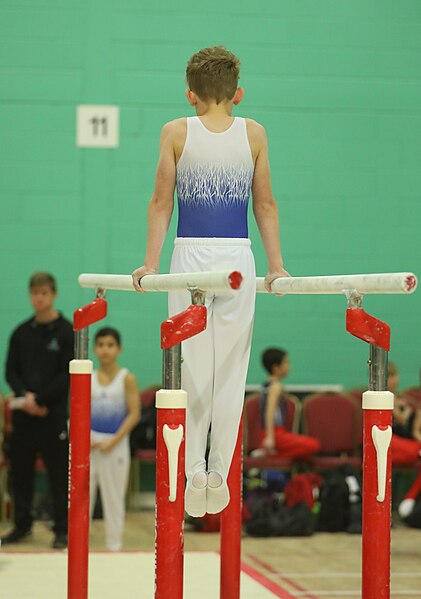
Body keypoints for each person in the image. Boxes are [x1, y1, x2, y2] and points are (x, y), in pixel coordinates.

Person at [131, 46, 289, 517]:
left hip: (189, 258)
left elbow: (161, 202)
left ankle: (193, 472)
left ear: (190, 95)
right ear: (238, 94)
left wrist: (150, 265)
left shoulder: (177, 131)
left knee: (194, 368)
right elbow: (266, 205)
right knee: (232, 371)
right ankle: (218, 470)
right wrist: (276, 265)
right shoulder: (255, 134)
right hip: (239, 259)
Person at [1, 272, 73, 548]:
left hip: (51, 416)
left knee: (57, 474)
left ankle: (61, 529)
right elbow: (10, 371)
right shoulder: (21, 332)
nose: (39, 298)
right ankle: (22, 525)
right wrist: (24, 398)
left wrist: (41, 401)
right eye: (34, 293)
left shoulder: (67, 332)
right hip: (24, 415)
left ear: (53, 294)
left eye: (44, 293)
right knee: (21, 474)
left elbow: (66, 374)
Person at [90, 327, 140, 551]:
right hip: (89, 443)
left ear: (119, 349)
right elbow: (77, 412)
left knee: (114, 497)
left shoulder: (126, 378)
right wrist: (85, 438)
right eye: (100, 345)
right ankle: (78, 544)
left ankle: (114, 545)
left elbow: (134, 413)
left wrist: (114, 440)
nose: (105, 350)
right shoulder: (87, 377)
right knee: (82, 497)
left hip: (116, 444)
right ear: (94, 349)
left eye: (110, 345)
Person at [260, 348, 320, 458]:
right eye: (286, 362)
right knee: (314, 445)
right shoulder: (275, 387)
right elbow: (269, 412)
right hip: (275, 433)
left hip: (273, 432)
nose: (289, 366)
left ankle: (272, 455)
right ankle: (273, 456)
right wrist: (270, 437)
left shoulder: (267, 384)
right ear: (276, 367)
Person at [389, 362, 421, 465]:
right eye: (392, 376)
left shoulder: (399, 398)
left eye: (395, 376)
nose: (396, 380)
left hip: (407, 438)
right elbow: (402, 420)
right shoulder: (386, 399)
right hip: (394, 438)